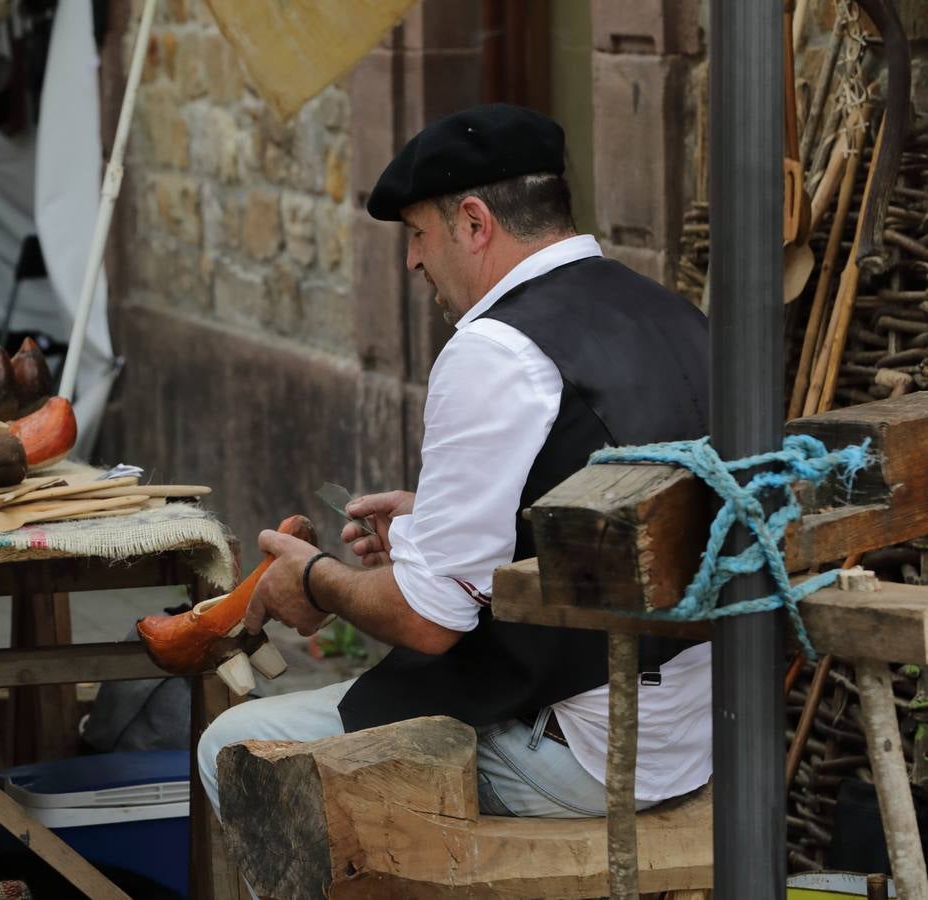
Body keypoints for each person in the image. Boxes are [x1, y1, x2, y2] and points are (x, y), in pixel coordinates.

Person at [198, 105, 713, 822]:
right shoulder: (670, 313)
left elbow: (427, 621)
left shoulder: (494, 349)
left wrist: (314, 581)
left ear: (475, 223)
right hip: (694, 732)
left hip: (588, 753)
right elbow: (598, 490)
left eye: (418, 234)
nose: (412, 260)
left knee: (232, 747)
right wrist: (432, 517)